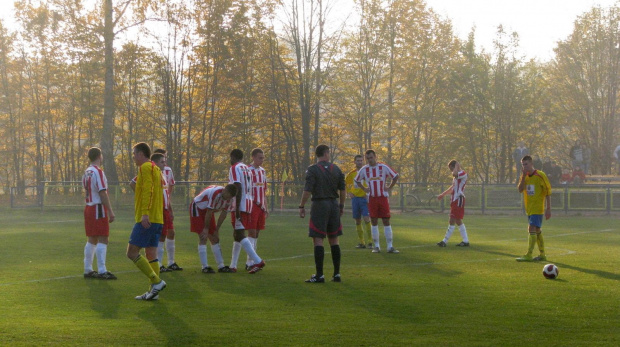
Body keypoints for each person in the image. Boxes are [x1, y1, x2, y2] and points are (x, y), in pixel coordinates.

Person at [298, 144, 346, 283]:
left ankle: (319, 275)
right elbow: (342, 190)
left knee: (318, 239)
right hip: (333, 205)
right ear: (326, 153)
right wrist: (341, 206)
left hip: (319, 205)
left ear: (317, 155)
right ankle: (336, 274)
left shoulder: (313, 170)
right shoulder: (336, 169)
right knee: (334, 239)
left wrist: (301, 205)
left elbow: (307, 190)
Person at [126, 142, 166, 300]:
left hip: (148, 218)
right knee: (151, 253)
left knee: (131, 252)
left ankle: (156, 282)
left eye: (134, 154)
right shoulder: (155, 168)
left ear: (141, 153)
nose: (134, 157)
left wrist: (144, 214)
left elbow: (148, 191)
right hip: (157, 218)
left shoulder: (146, 168)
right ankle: (153, 292)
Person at [228, 149, 266, 274]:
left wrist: (237, 207)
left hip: (241, 204)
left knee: (240, 234)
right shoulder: (247, 168)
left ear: (233, 157)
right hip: (249, 204)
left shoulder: (235, 167)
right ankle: (233, 265)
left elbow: (237, 187)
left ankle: (256, 261)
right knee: (237, 234)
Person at [354, 149, 400, 253]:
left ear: (375, 157)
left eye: (371, 157)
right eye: (368, 158)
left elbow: (395, 176)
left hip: (383, 198)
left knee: (386, 220)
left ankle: (390, 246)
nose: (370, 160)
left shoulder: (383, 167)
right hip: (372, 199)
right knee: (373, 221)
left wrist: (390, 187)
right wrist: (364, 189)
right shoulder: (364, 169)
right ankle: (377, 246)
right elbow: (357, 180)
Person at [82, 147, 117, 280]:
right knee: (103, 237)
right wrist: (111, 211)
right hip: (98, 208)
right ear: (99, 156)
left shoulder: (86, 172)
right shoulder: (98, 172)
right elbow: (102, 192)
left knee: (92, 238)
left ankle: (88, 269)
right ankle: (102, 270)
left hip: (88, 207)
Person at [190, 184, 238, 273]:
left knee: (215, 238)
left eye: (230, 197)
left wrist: (217, 229)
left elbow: (223, 214)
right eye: (228, 196)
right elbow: (209, 211)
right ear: (225, 191)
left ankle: (221, 266)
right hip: (198, 208)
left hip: (209, 211)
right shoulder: (215, 193)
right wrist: (206, 228)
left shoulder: (230, 199)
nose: (228, 198)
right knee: (203, 236)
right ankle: (204, 267)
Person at [516, 155, 551, 262]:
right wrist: (522, 176)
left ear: (531, 164)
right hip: (529, 208)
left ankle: (529, 254)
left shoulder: (540, 175)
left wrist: (548, 208)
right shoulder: (524, 176)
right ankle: (542, 254)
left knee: (531, 228)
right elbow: (520, 190)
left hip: (538, 208)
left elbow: (548, 192)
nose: (524, 166)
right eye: (523, 165)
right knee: (537, 230)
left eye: (526, 164)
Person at [153, 148, 183, 272]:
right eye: (162, 159)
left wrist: (170, 207)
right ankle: (158, 263)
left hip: (166, 205)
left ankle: (171, 262)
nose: (165, 162)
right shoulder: (151, 170)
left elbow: (168, 190)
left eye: (165, 159)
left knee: (171, 232)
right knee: (161, 234)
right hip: (158, 207)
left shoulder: (168, 170)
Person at [245, 148, 269, 270]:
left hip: (261, 206)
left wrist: (266, 206)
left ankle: (253, 260)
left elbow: (264, 190)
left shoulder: (263, 171)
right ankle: (250, 262)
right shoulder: (248, 171)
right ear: (253, 157)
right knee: (252, 232)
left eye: (263, 158)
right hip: (252, 205)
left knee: (257, 233)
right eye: (260, 157)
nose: (262, 160)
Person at [436, 160, 470, 247]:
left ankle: (444, 241)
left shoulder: (462, 173)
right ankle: (465, 241)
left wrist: (456, 167)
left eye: (451, 168)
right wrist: (442, 194)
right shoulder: (456, 177)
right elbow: (452, 188)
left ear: (454, 166)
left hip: (458, 199)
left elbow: (454, 174)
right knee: (458, 220)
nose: (451, 170)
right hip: (455, 200)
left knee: (452, 219)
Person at [345, 154, 372, 249]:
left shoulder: (367, 172)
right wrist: (349, 192)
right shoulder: (351, 174)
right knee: (357, 220)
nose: (359, 162)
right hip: (355, 199)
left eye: (361, 160)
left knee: (366, 218)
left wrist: (369, 193)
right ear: (354, 162)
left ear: (363, 161)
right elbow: (346, 184)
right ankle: (361, 242)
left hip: (365, 198)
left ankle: (370, 241)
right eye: (358, 160)